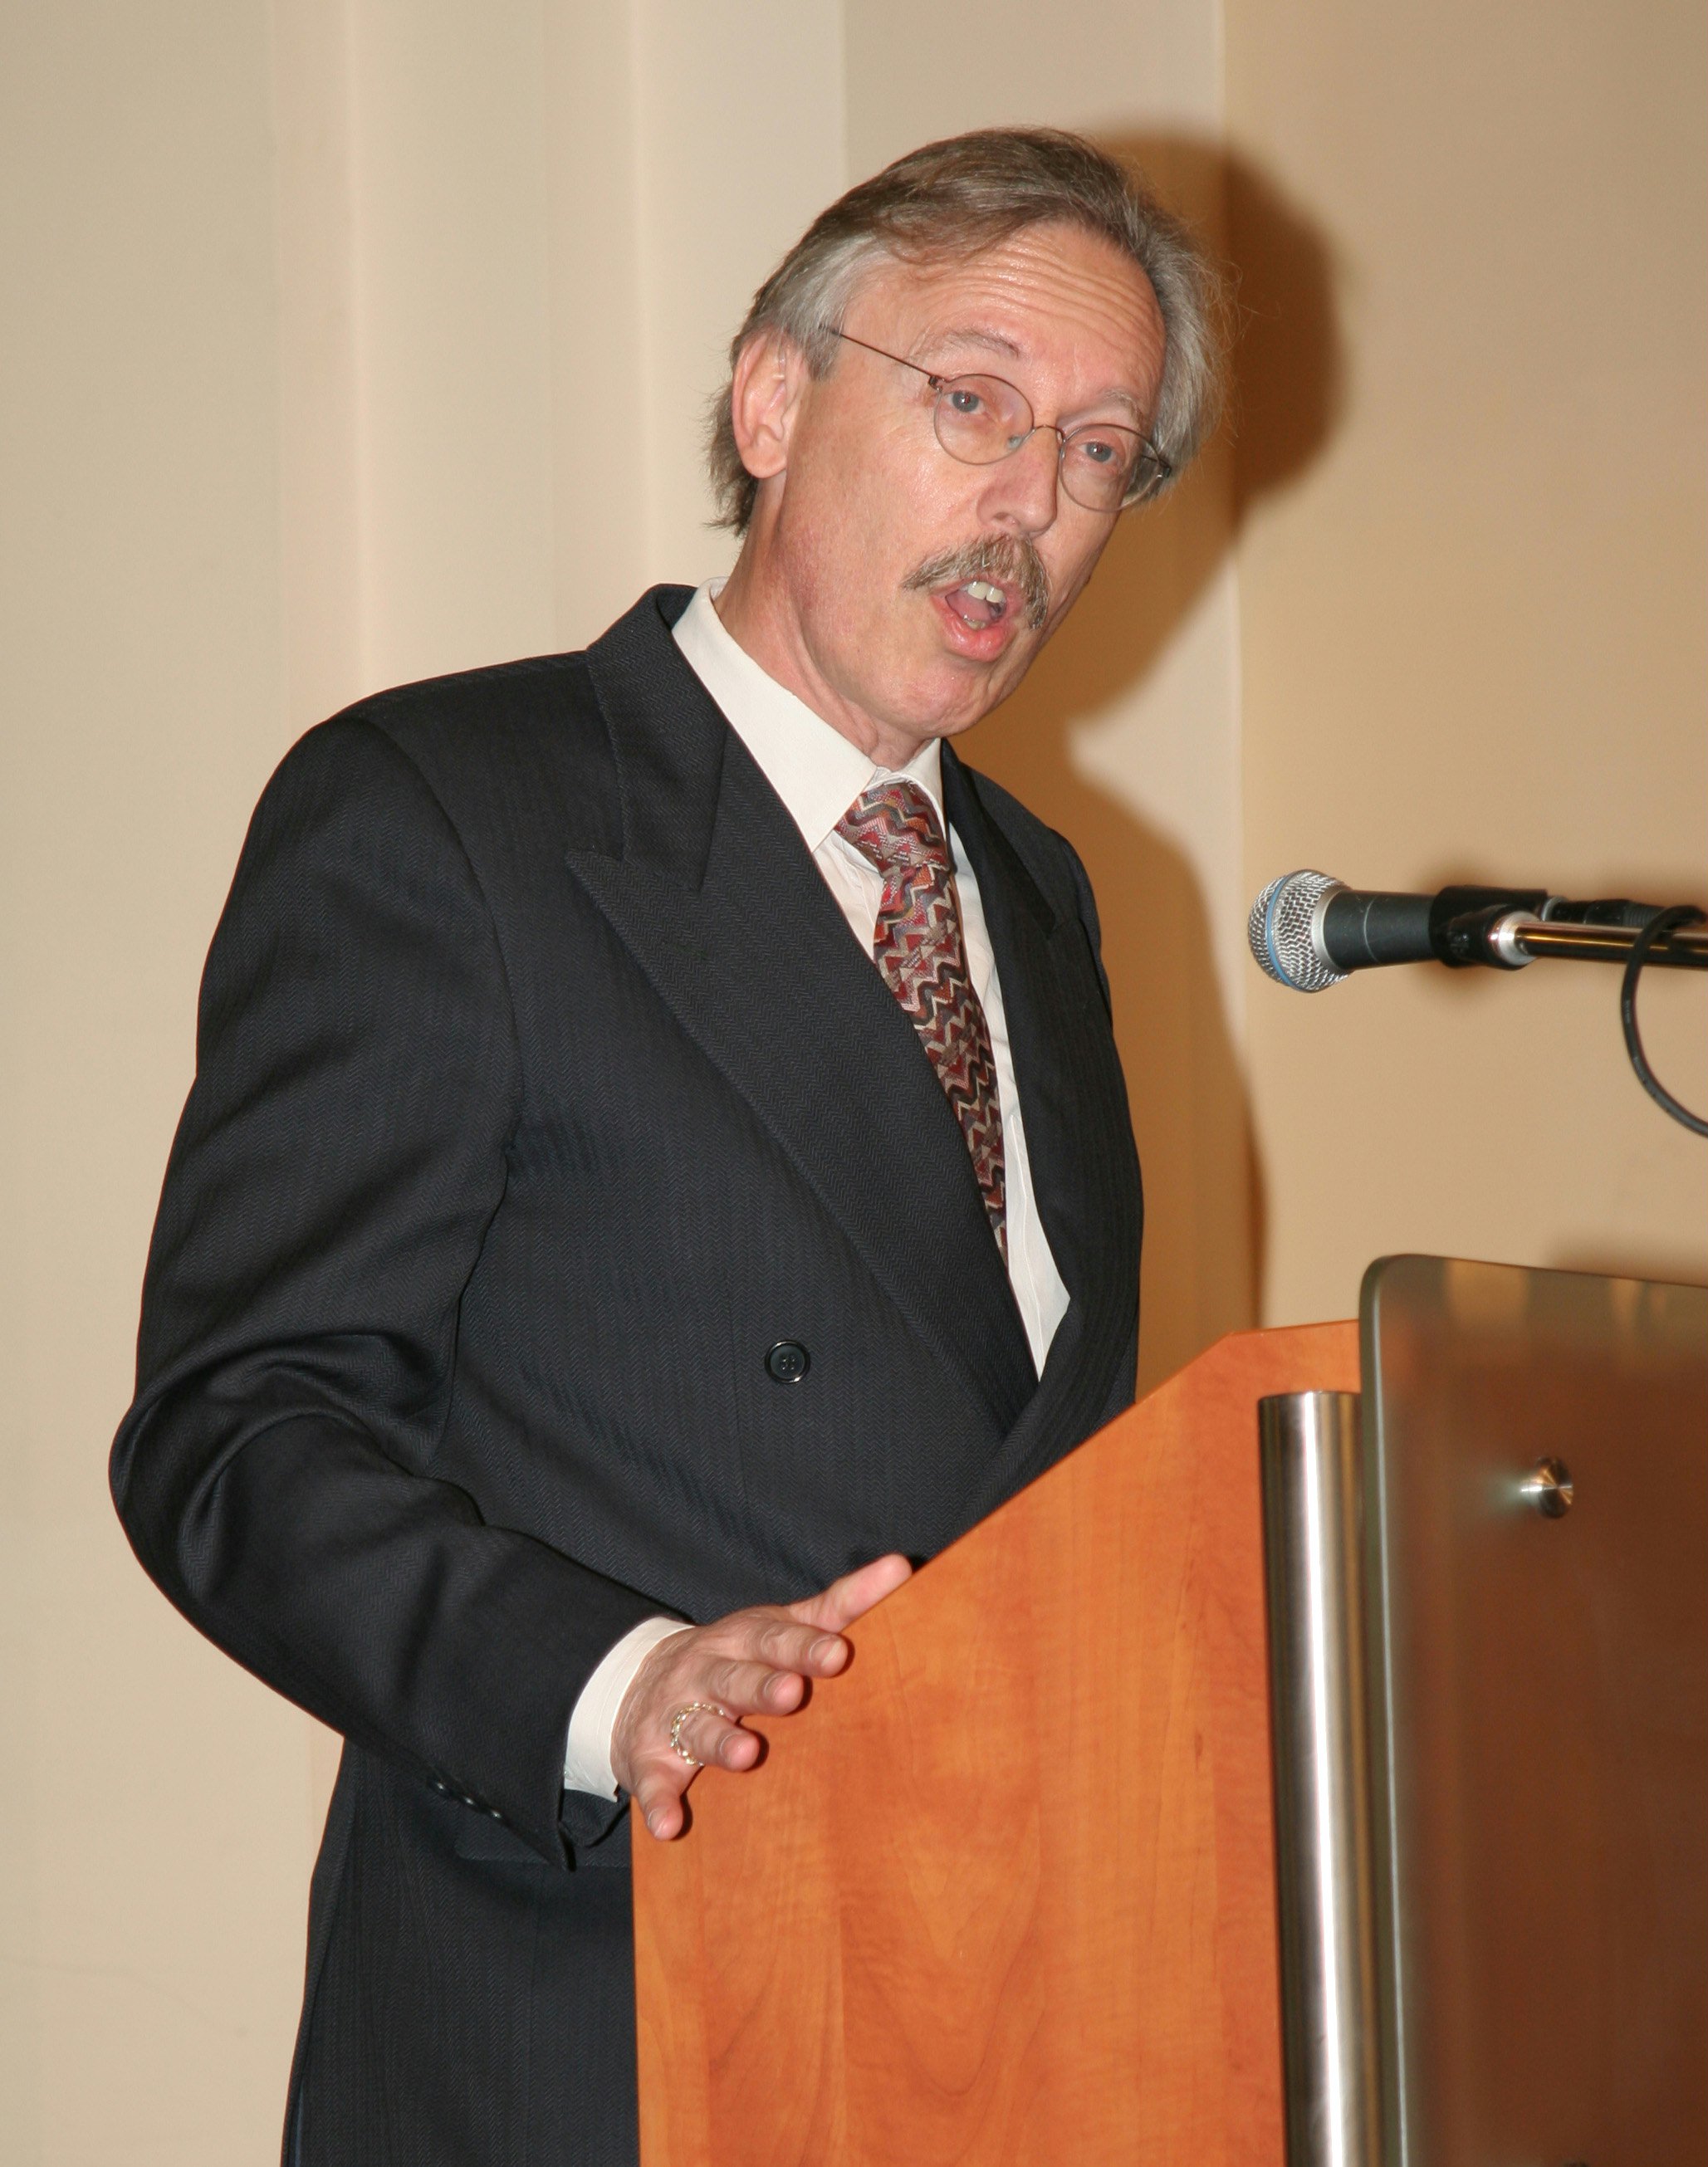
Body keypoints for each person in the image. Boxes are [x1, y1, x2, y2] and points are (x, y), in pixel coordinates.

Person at [110, 127, 1221, 2165]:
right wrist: (615, 1690)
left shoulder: (1046, 903)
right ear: (773, 396)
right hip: (584, 2015)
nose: (1030, 512)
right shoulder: (451, 812)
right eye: (973, 401)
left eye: (1096, 453)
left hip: (1000, 2026)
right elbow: (236, 1434)